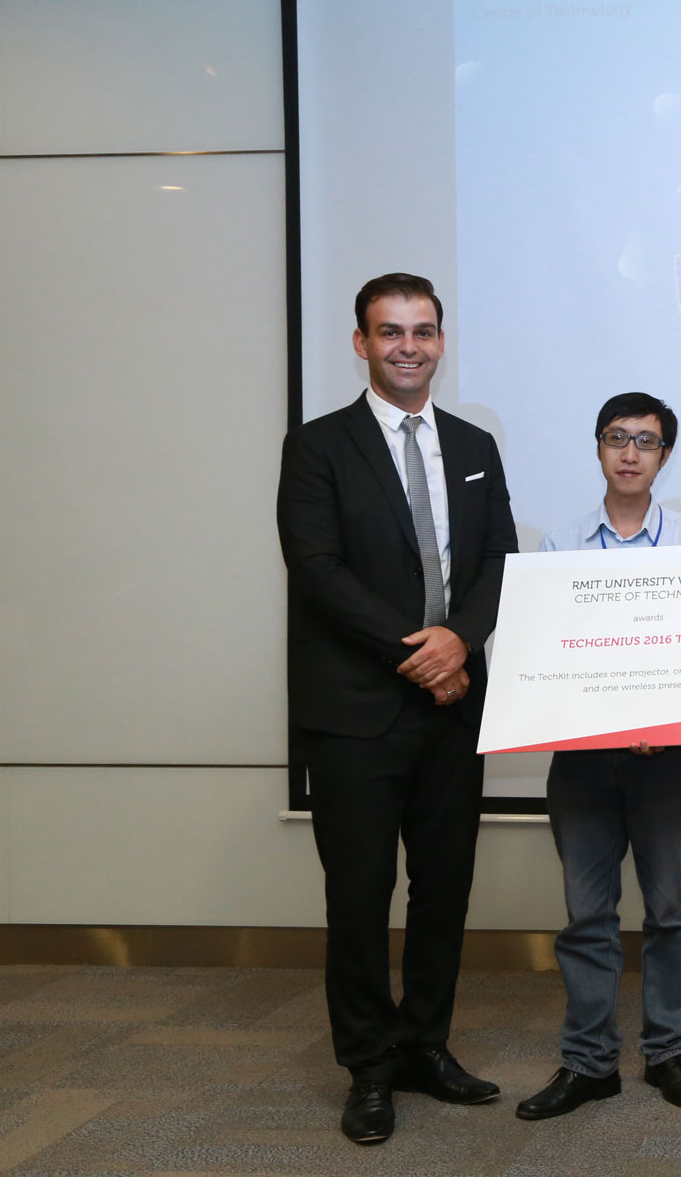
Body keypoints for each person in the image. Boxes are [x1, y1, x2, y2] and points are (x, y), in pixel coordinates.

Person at [276, 273, 517, 1144]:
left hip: (457, 709)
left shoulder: (475, 442)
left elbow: (498, 559)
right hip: (358, 712)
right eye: (390, 331)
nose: (407, 345)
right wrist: (425, 653)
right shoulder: (317, 447)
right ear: (361, 343)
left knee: (443, 890)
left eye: (422, 330)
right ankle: (369, 1068)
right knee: (360, 895)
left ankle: (425, 1045)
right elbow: (318, 570)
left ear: (442, 341)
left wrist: (462, 637)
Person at [516, 393, 681, 1121]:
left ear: (666, 455)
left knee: (670, 910)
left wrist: (664, 712)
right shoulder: (560, 544)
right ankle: (590, 1062)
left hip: (668, 757)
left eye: (647, 440)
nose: (630, 452)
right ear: (598, 447)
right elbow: (541, 647)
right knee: (586, 916)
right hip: (582, 759)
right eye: (617, 438)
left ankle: (668, 1053)